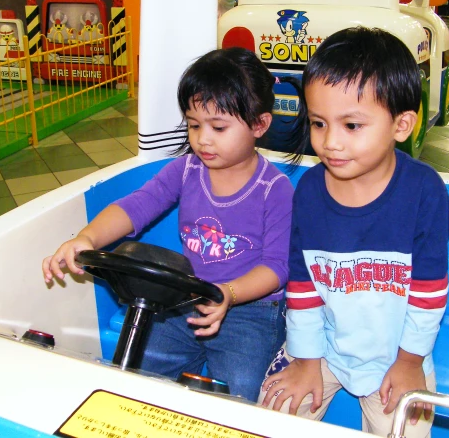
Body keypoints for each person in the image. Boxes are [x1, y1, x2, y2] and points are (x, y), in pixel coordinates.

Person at [43, 48, 294, 401]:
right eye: (194, 125)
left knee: (241, 391)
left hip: (249, 310)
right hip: (188, 298)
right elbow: (135, 207)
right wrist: (87, 237)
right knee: (136, 372)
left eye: (218, 127)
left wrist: (229, 294)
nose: (203, 138)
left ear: (259, 125)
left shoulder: (274, 189)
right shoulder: (185, 170)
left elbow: (277, 266)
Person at [259, 27, 449, 437]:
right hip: (324, 345)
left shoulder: (424, 191)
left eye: (351, 125)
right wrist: (307, 360)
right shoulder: (309, 192)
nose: (330, 143)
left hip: (397, 353)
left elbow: (428, 291)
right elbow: (303, 285)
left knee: (407, 432)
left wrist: (410, 362)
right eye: (318, 123)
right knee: (267, 415)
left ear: (401, 125)